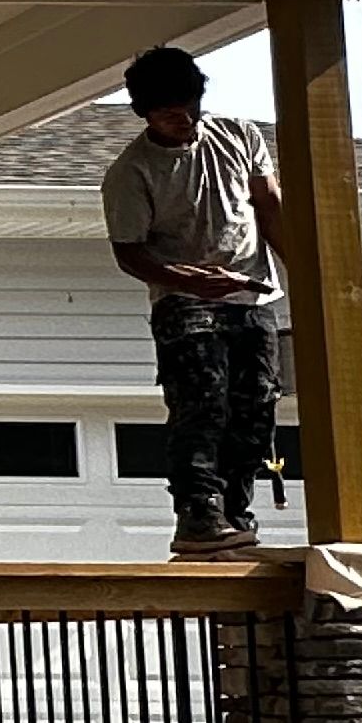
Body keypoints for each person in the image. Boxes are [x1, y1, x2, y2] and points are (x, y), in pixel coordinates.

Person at [101, 46, 288, 559]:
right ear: (144, 113)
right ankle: (199, 511)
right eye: (167, 114)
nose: (182, 121)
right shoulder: (132, 173)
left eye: (188, 108)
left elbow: (269, 207)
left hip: (251, 294)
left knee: (256, 405)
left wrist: (306, 266)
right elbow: (129, 254)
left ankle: (236, 509)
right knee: (202, 402)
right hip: (184, 301)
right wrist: (177, 277)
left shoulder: (240, 136)